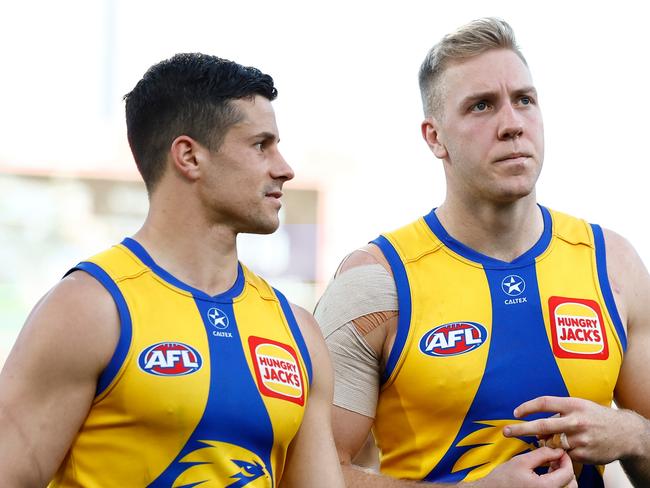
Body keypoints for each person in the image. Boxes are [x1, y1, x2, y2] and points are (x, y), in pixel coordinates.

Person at [314, 17, 650, 487]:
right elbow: (308, 475)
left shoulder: (614, 265)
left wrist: (633, 434)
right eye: (481, 106)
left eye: (524, 101)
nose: (512, 124)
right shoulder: (376, 281)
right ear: (434, 137)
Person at [0, 53, 344, 487]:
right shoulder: (90, 307)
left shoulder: (299, 332)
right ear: (189, 157)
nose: (285, 168)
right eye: (261, 145)